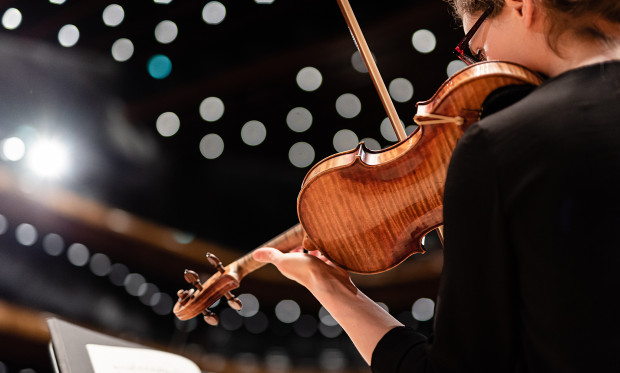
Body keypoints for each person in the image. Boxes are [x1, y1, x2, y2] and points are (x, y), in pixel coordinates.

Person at [254, 0, 620, 371]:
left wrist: (331, 289)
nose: (479, 63)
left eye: (475, 48)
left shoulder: (500, 144)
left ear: (521, 6)